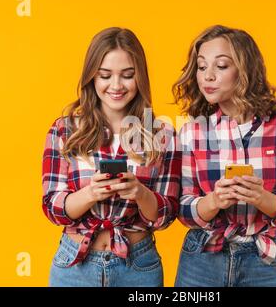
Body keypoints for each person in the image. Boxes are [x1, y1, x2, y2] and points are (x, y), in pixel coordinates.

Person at [173, 25, 276, 287]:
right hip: (201, 259)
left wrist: (263, 199)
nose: (208, 76)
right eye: (202, 67)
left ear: (246, 69)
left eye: (222, 66)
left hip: (262, 261)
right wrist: (214, 200)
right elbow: (182, 208)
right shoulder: (191, 132)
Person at [42, 27, 180, 287]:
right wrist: (91, 193)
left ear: (140, 78)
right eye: (105, 75)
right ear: (92, 77)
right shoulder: (65, 129)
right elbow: (53, 208)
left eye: (127, 75)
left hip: (138, 267)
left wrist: (140, 193)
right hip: (75, 264)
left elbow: (166, 215)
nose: (116, 86)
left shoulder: (163, 134)